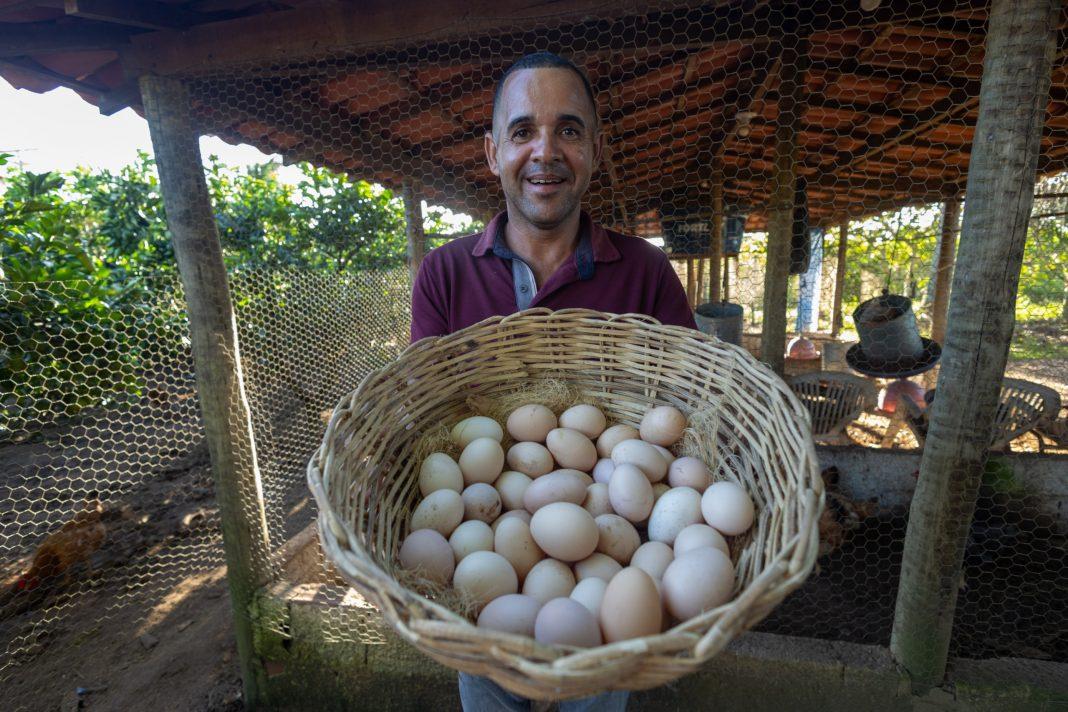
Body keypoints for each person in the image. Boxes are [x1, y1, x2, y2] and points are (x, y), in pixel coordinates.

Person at [410, 51, 697, 711]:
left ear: (595, 149)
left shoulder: (646, 271)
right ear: (492, 152)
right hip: (483, 614)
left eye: (568, 130)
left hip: (606, 627)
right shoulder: (445, 275)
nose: (546, 150)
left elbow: (682, 414)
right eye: (522, 132)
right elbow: (430, 421)